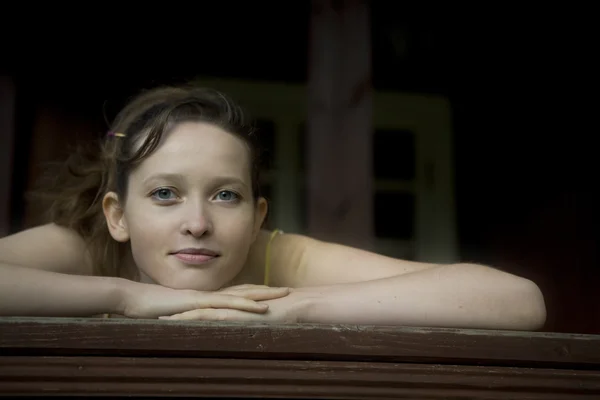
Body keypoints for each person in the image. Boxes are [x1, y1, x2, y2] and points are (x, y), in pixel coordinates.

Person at [0, 85, 546, 330]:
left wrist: (281, 309)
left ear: (258, 216)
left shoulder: (275, 261)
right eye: (164, 193)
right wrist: (128, 297)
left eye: (225, 194)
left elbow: (516, 300)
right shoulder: (91, 242)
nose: (197, 223)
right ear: (118, 215)